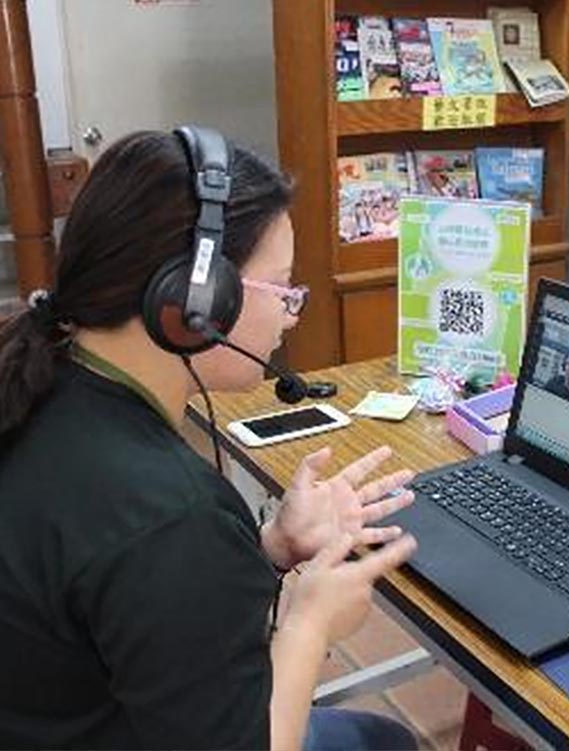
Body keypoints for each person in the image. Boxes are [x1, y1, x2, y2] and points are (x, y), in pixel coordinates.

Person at [0, 129, 419, 751]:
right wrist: (310, 624)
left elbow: (119, 586)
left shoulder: (42, 378)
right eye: (282, 288)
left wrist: (270, 549)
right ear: (193, 302)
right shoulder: (170, 514)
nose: (291, 313)